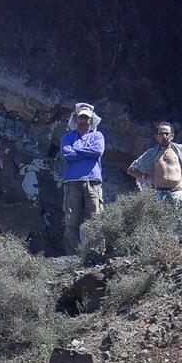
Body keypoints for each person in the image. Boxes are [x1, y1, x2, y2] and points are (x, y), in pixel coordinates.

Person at [58, 102, 105, 253]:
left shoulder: (97, 135)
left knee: (95, 218)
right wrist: (87, 152)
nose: (84, 121)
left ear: (91, 120)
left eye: (86, 118)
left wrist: (77, 150)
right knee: (71, 219)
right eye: (81, 118)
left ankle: (97, 253)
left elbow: (98, 151)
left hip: (92, 181)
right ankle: (72, 255)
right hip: (72, 182)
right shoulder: (67, 137)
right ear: (76, 119)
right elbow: (66, 154)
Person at [126, 123, 182, 214]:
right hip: (159, 194)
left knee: (180, 223)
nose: (164, 136)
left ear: (172, 136)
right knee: (158, 223)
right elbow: (131, 170)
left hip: (176, 192)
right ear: (157, 136)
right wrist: (145, 177)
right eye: (161, 134)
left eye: (167, 134)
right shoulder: (151, 154)